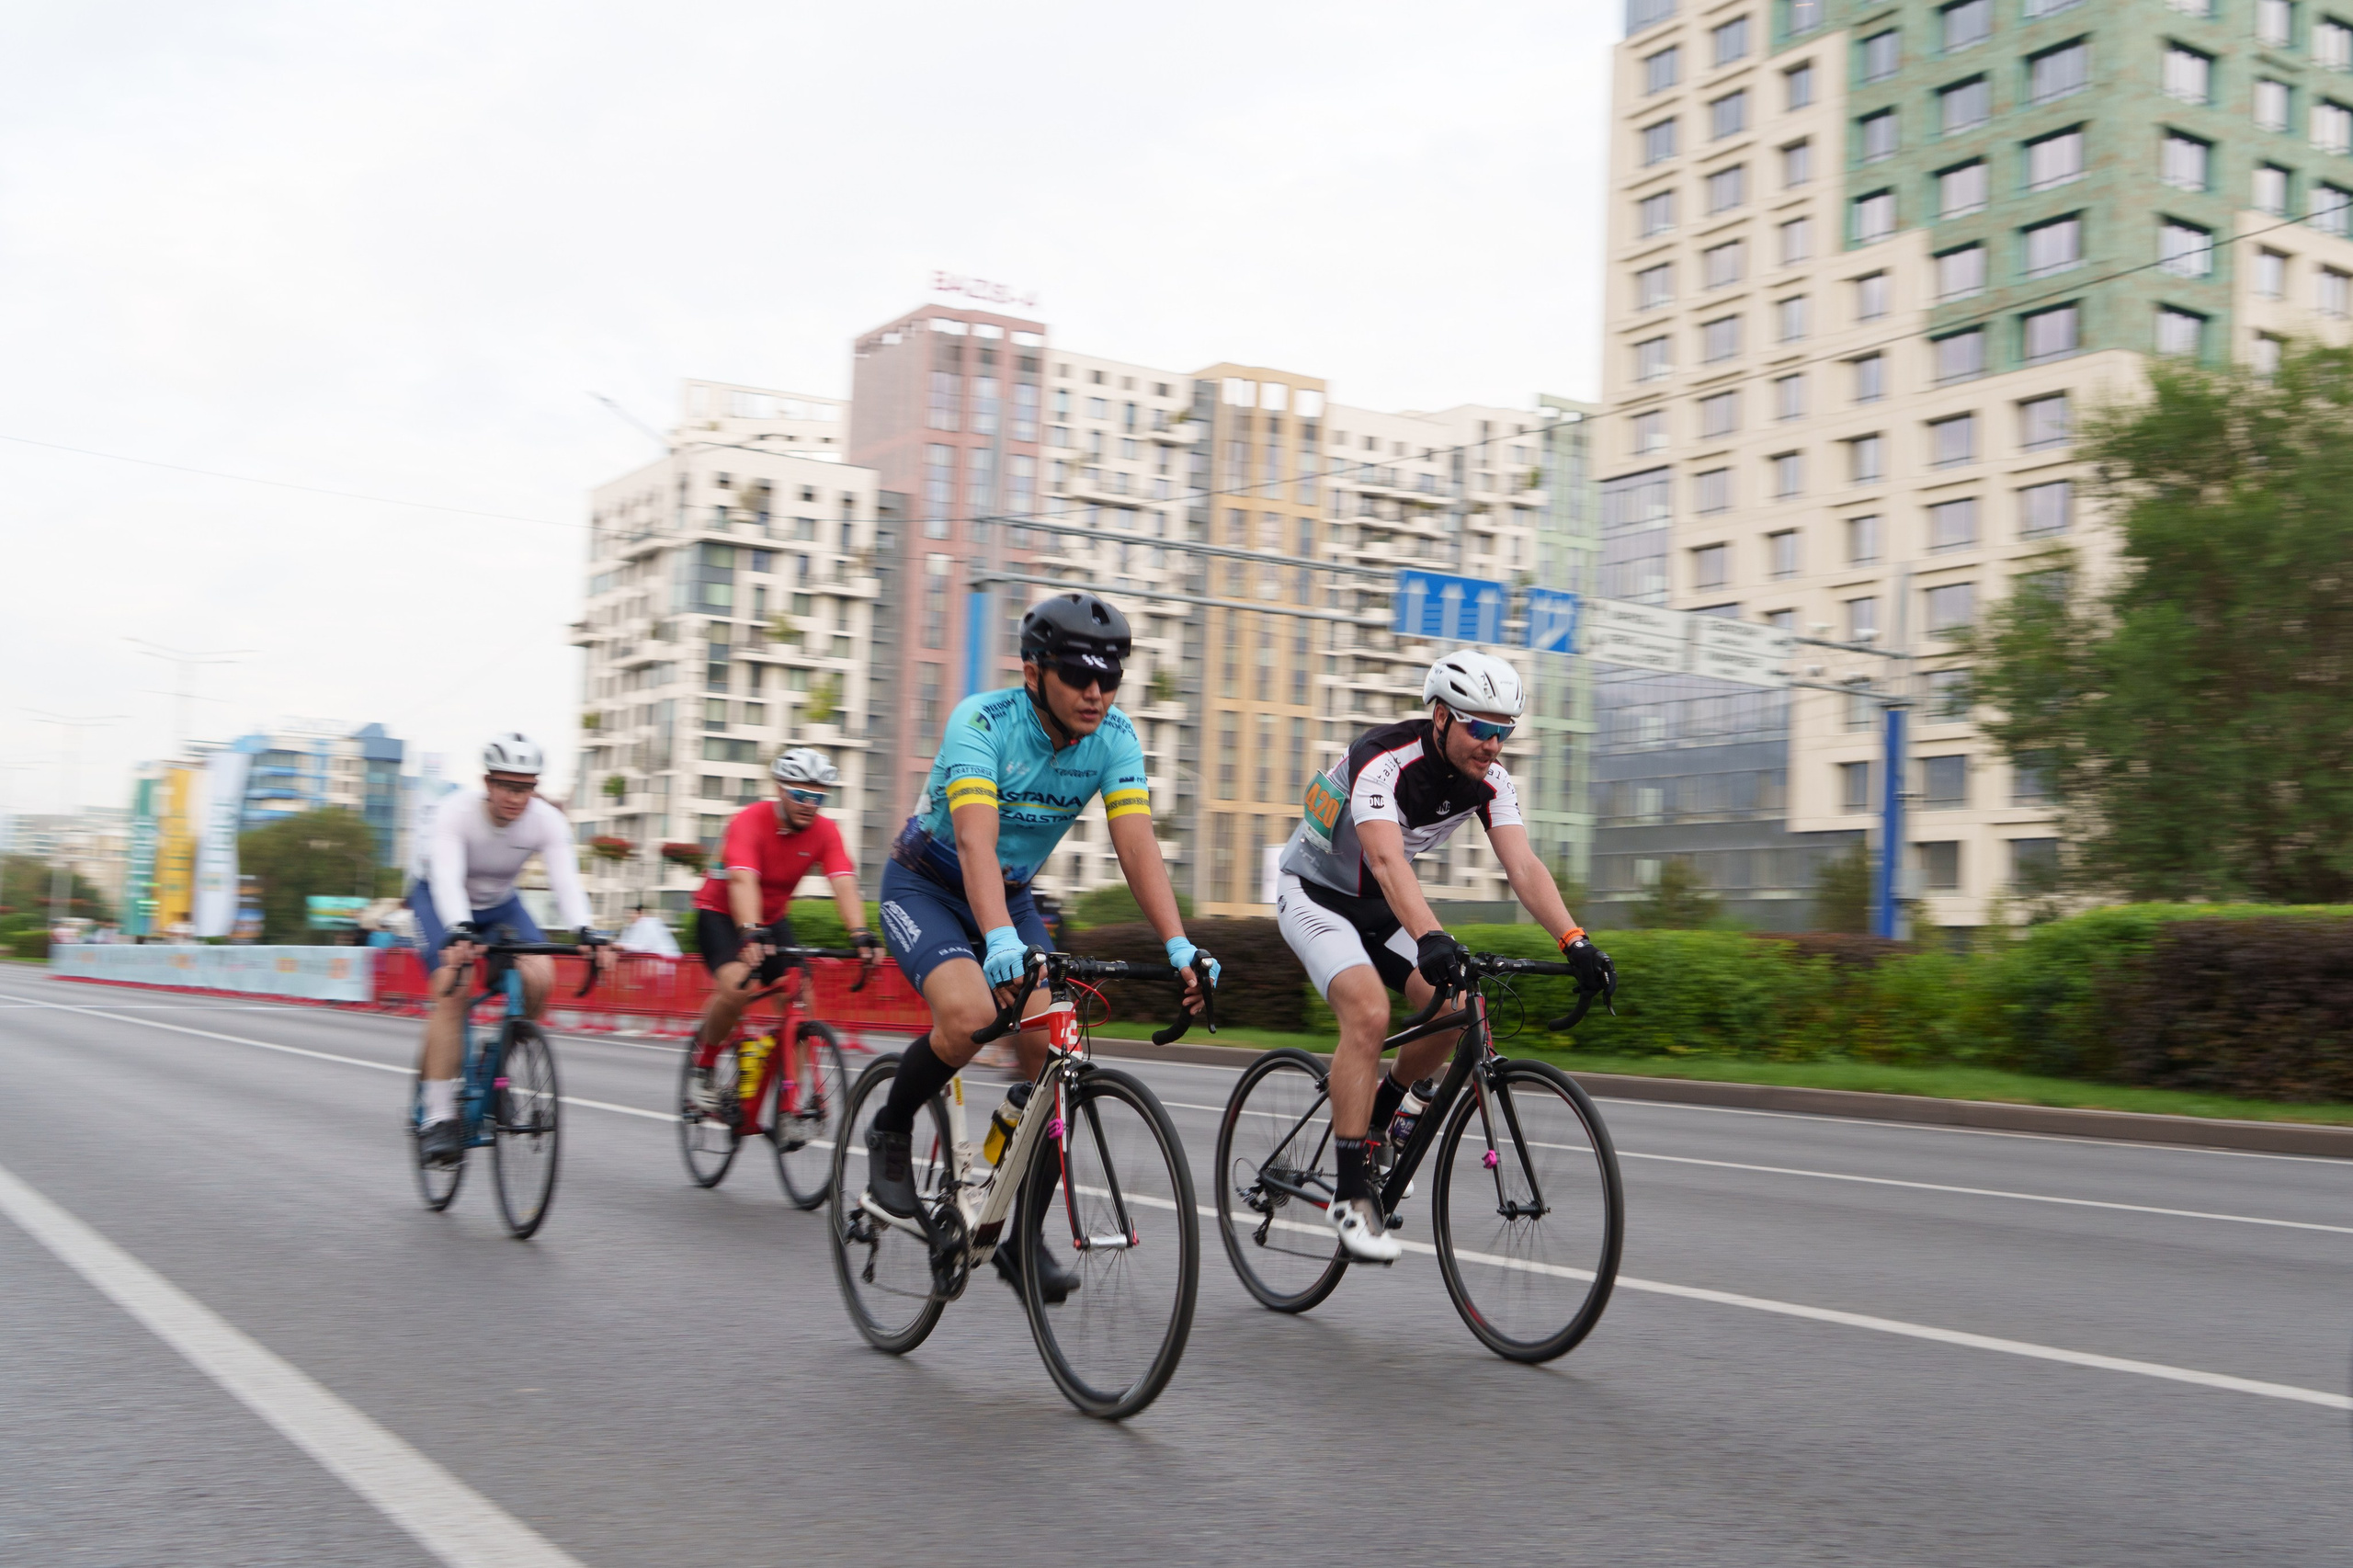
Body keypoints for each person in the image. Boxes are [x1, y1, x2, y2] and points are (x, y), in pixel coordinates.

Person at [866, 591, 1215, 1301]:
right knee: (966, 1020)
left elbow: (1137, 845)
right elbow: (973, 840)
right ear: (1034, 673)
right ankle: (891, 1126)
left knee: (1057, 1049)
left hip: (1012, 892)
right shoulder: (982, 723)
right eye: (1079, 675)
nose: (1096, 692)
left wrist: (1180, 945)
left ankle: (1017, 1232)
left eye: (1109, 677)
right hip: (928, 885)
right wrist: (995, 938)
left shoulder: (1114, 738)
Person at [1275, 650, 1614, 1262]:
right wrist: (1431, 934)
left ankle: (1376, 1116)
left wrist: (1574, 939)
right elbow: (1385, 860)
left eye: (1503, 731)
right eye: (1480, 728)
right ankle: (1351, 1200)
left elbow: (1523, 867)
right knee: (1369, 1013)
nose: (1492, 744)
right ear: (1440, 717)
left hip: (1380, 908)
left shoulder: (1493, 783)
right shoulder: (1382, 760)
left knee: (1457, 1002)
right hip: (1315, 897)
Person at [408, 733, 609, 1165]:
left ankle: (496, 1072)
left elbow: (566, 881)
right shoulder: (455, 813)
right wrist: (458, 931)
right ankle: (439, 1118)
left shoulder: (546, 821)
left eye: (527, 787)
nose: (517, 797)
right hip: (439, 901)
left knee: (541, 975)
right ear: (487, 783)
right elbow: (445, 878)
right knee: (453, 986)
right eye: (507, 786)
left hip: (500, 906)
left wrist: (587, 931)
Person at [683, 747, 879, 1112]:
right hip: (721, 913)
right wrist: (750, 930)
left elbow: (844, 881)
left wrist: (860, 934)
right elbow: (742, 879)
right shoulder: (748, 821)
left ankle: (792, 1100)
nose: (810, 804)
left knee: (801, 997)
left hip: (770, 919)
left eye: (819, 797)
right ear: (780, 789)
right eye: (801, 795)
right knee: (738, 985)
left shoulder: (825, 831)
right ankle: (705, 1066)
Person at [616, 903, 681, 958]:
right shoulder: (632, 927)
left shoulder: (648, 924)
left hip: (661, 961)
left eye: (632, 913)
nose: (630, 917)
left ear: (640, 913)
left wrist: (621, 947)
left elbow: (644, 946)